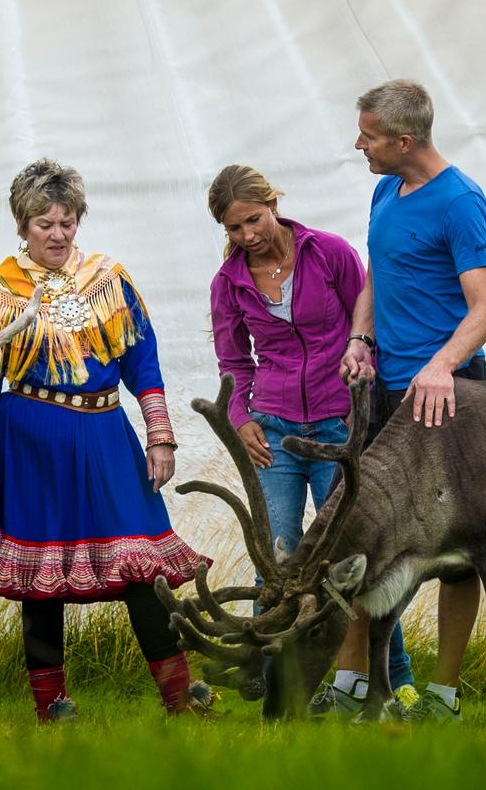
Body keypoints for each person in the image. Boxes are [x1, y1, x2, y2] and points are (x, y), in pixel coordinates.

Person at [0, 159, 211, 722]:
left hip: (104, 436)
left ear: (78, 221)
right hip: (28, 443)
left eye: (66, 222)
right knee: (38, 579)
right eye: (43, 223)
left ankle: (180, 698)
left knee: (141, 565)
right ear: (22, 225)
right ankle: (51, 707)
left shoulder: (109, 280)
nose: (57, 233)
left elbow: (142, 363)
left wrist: (160, 436)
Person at [204, 166, 421, 715]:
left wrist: (363, 402)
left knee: (353, 557)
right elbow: (234, 361)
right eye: (234, 229)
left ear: (273, 204)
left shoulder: (329, 253)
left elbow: (368, 328)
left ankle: (396, 676)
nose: (248, 235)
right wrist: (241, 417)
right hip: (273, 431)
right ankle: (272, 676)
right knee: (274, 555)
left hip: (338, 428)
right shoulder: (227, 283)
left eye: (253, 220)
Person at [335, 79, 486, 722]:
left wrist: (440, 367)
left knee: (459, 548)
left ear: (405, 141)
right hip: (388, 390)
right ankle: (349, 685)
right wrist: (359, 335)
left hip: (450, 395)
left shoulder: (460, 202)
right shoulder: (384, 189)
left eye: (369, 136)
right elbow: (381, 270)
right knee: (367, 533)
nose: (359, 145)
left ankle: (443, 696)